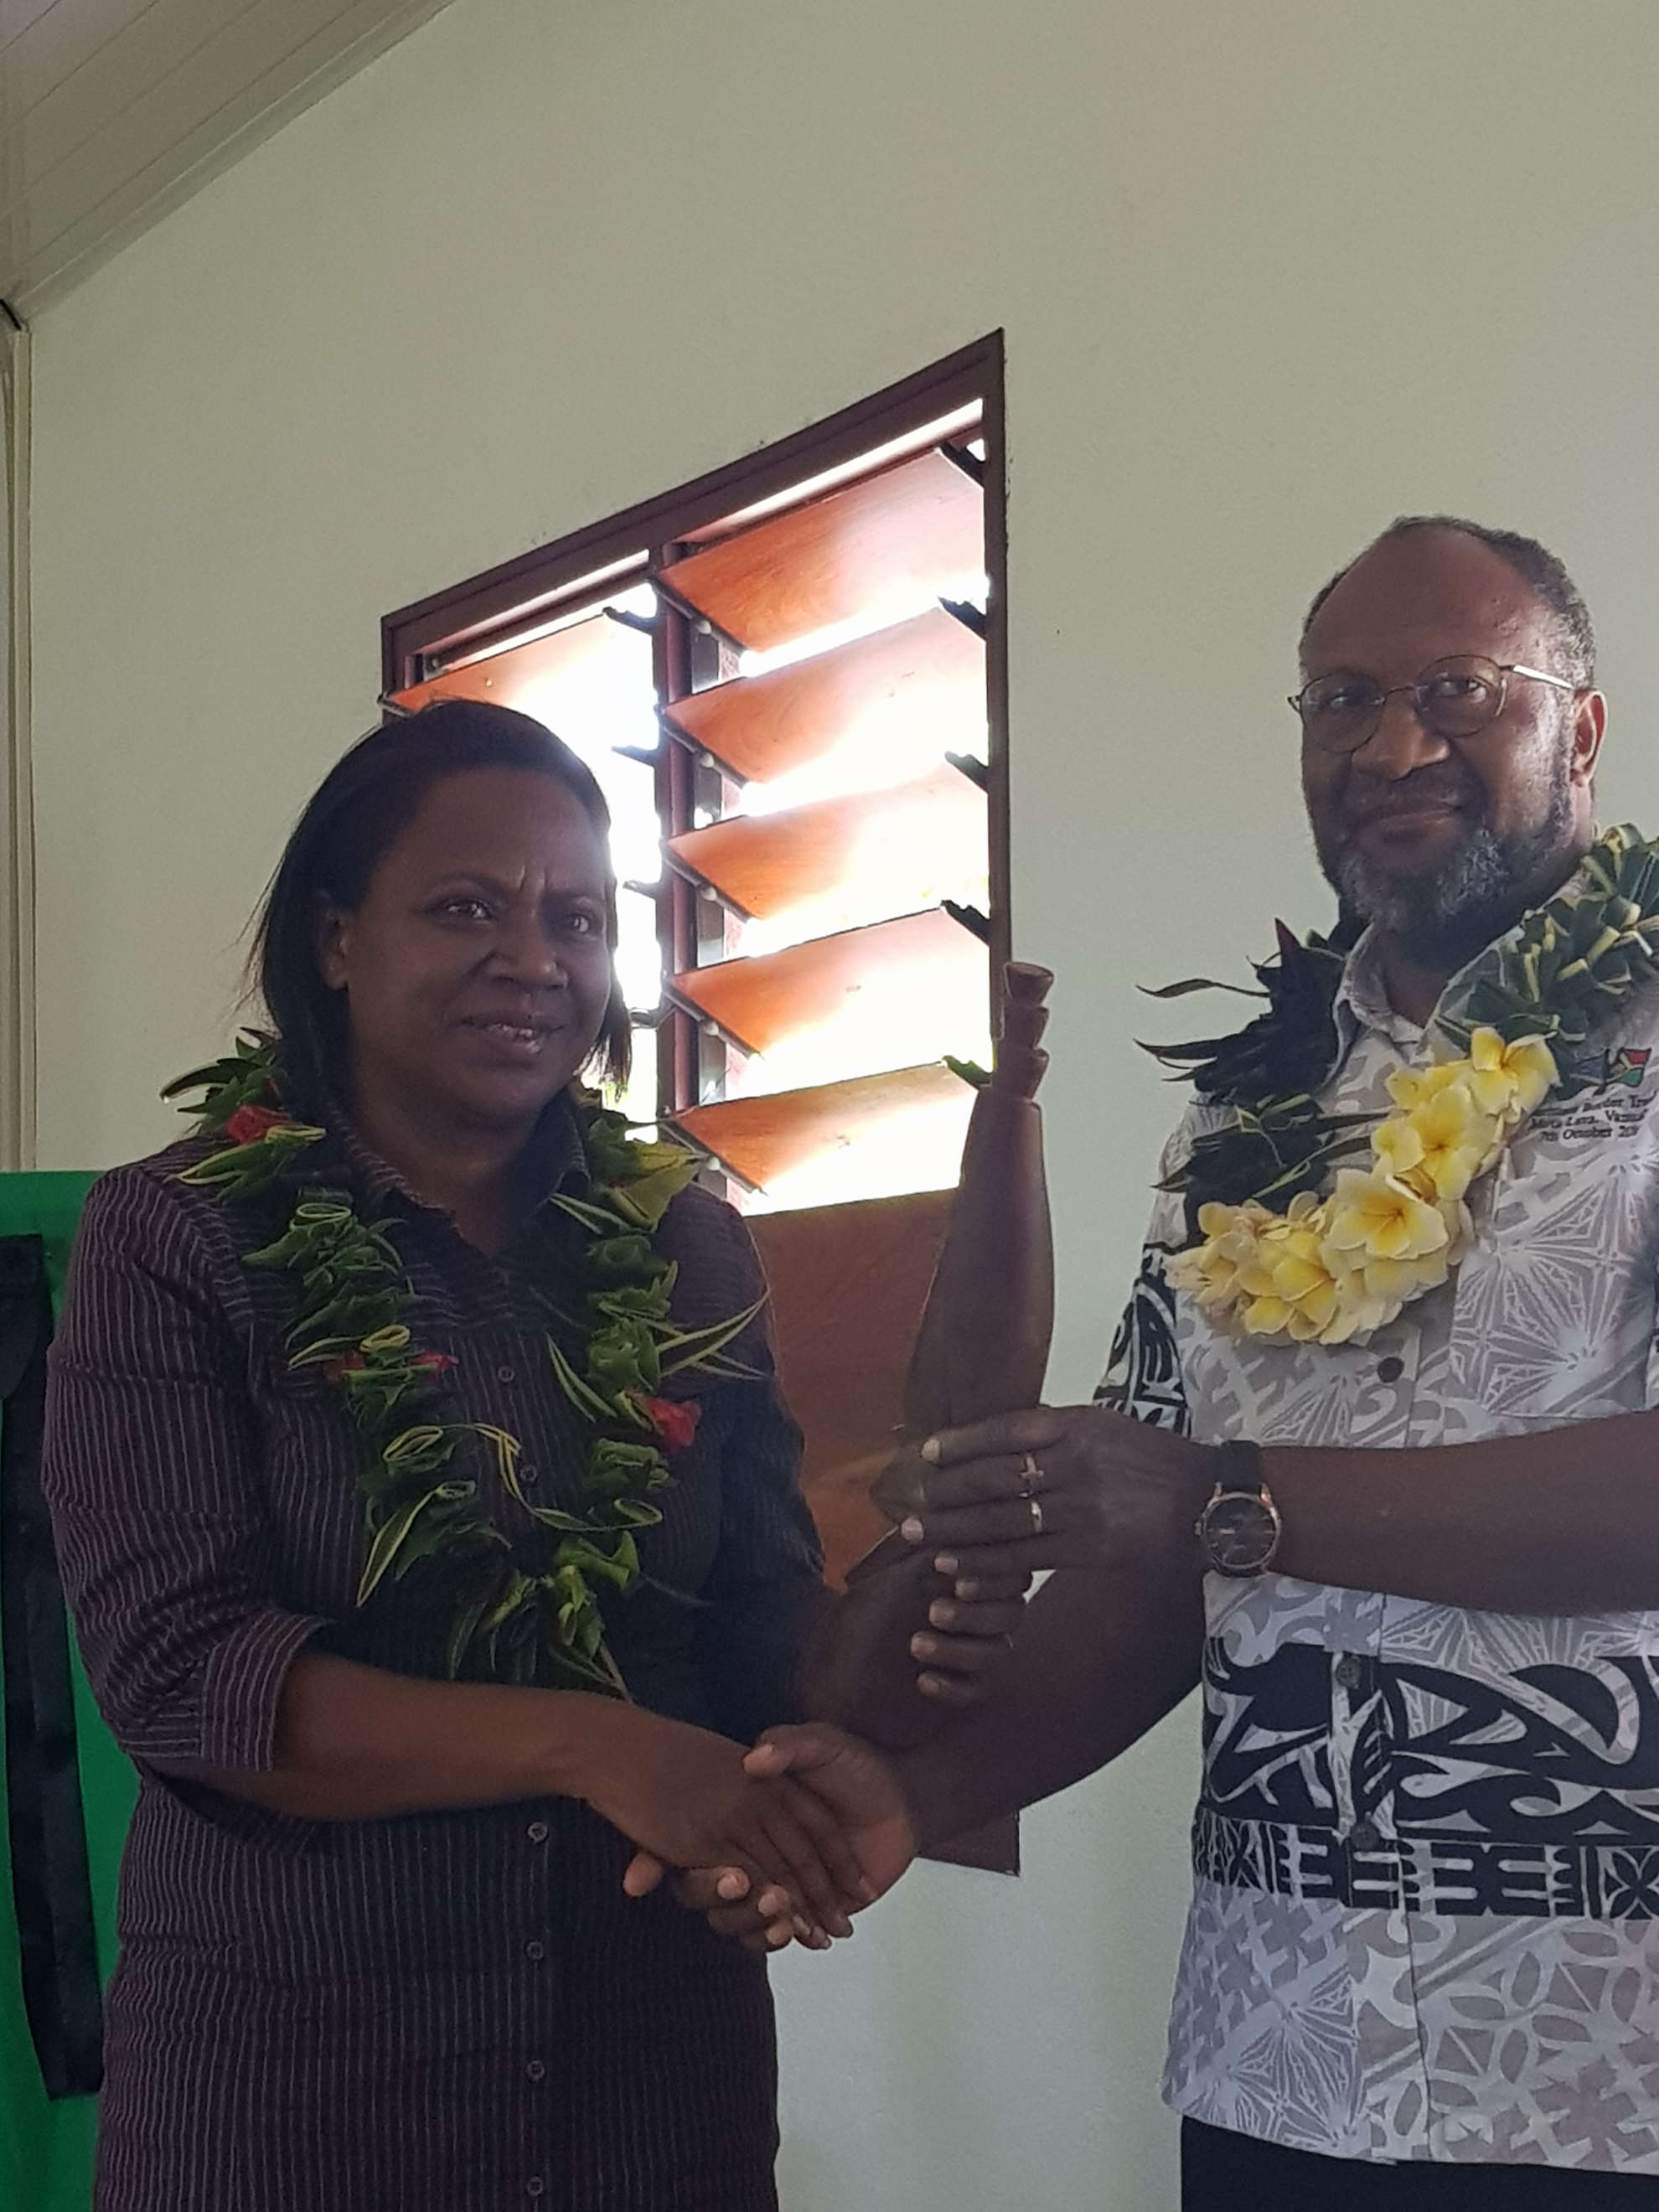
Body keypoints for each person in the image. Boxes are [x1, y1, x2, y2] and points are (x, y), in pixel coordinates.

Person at [690, 518, 1659, 2202]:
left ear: (1579, 727)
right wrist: (919, 1799)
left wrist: (1229, 1497)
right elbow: (1154, 1571)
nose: (1394, 745)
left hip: (1602, 2071)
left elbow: (1206, 1509)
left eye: (1460, 691)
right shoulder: (1246, 1113)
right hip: (1278, 2049)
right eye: (1343, 702)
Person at [39, 699, 1012, 2212]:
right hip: (297, 2085)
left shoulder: (684, 1239)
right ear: (336, 939)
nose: (533, 959)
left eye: (576, 917)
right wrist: (602, 1745)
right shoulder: (178, 1234)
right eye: (463, 908)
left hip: (649, 2079)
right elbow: (180, 1673)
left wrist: (867, 1714)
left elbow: (754, 1614)